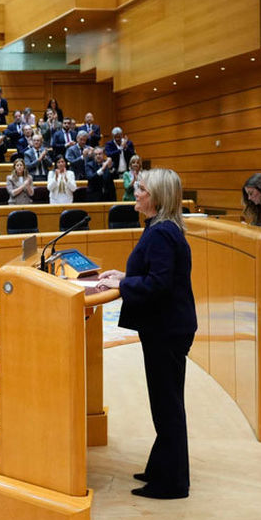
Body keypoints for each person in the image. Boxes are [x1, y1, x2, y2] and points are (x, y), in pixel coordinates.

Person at [95, 168, 196, 500]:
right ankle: (161, 469)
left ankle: (173, 483)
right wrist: (124, 275)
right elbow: (156, 273)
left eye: (141, 189)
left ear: (157, 197)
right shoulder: (160, 228)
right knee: (166, 403)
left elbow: (158, 284)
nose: (135, 193)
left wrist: (123, 284)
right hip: (167, 326)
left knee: (167, 406)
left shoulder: (160, 233)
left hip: (166, 328)